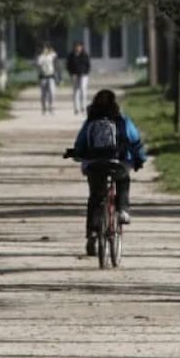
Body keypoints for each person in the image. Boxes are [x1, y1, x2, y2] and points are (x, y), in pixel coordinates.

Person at [70, 89, 147, 255]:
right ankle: (123, 210)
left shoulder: (90, 122)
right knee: (123, 179)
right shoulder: (122, 121)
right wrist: (139, 159)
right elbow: (135, 141)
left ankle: (91, 233)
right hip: (118, 162)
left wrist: (76, 154)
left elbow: (80, 145)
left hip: (94, 165)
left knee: (95, 196)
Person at [65, 41, 91, 115]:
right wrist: (72, 74)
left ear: (81, 47)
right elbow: (68, 66)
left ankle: (83, 107)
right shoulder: (71, 56)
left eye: (79, 46)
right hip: (75, 75)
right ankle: (76, 108)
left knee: (83, 90)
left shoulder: (85, 55)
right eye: (76, 46)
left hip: (83, 76)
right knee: (76, 91)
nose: (78, 48)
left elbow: (88, 65)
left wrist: (85, 73)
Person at [36, 43, 59, 115]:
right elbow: (38, 64)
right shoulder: (40, 57)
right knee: (44, 94)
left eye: (46, 49)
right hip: (43, 77)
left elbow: (55, 57)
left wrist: (51, 51)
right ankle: (44, 107)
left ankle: (51, 107)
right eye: (43, 49)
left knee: (52, 93)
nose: (45, 50)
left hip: (51, 76)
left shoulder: (52, 55)